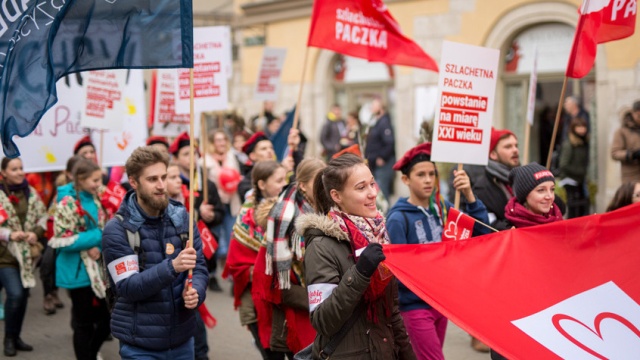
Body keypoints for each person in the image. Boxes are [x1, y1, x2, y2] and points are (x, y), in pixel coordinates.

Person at [296, 153, 415, 359]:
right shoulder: (321, 244)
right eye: (361, 188)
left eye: (372, 184)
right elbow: (323, 321)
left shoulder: (379, 235)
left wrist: (408, 355)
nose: (372, 193)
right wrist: (360, 273)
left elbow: (391, 311)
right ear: (336, 196)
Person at [102, 146, 208, 359]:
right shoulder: (118, 229)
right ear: (134, 182)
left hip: (183, 339)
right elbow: (128, 287)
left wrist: (196, 291)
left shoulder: (182, 218)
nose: (161, 186)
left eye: (164, 177)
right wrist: (172, 267)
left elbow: (199, 267)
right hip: (140, 345)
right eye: (152, 179)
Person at [386, 143, 489, 360]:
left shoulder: (442, 208)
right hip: (414, 306)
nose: (427, 180)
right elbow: (398, 272)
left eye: (431, 174)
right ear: (406, 179)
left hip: (441, 303)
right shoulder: (398, 218)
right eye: (420, 174)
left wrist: (469, 195)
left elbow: (480, 232)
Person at [252, 158, 326, 358]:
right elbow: (278, 278)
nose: (324, 187)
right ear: (302, 185)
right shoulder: (284, 217)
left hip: (316, 293)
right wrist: (316, 298)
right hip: (293, 294)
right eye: (318, 182)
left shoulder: (323, 205)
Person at [223, 161, 288, 359]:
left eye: (285, 179)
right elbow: (236, 264)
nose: (284, 184)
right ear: (261, 184)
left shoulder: (287, 210)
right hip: (255, 300)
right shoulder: (246, 217)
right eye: (278, 180)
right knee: (271, 354)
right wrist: (261, 271)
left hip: (285, 298)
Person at [49, 158, 111, 360]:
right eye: (94, 180)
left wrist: (99, 246)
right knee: (83, 323)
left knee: (108, 318)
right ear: (81, 179)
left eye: (99, 179)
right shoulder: (66, 202)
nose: (98, 184)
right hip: (77, 270)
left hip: (98, 268)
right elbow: (61, 239)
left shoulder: (97, 197)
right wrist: (98, 237)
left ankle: (90, 354)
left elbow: (107, 225)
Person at [0, 157, 47, 356]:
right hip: (5, 256)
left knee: (23, 298)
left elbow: (43, 217)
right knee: (16, 294)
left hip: (26, 256)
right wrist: (9, 235)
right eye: (14, 169)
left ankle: (16, 336)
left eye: (21, 168)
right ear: (3, 173)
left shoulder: (31, 193)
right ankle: (9, 339)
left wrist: (35, 232)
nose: (20, 172)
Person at [170, 132, 225, 292]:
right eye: (186, 154)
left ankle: (211, 274)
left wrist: (211, 215)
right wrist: (196, 212)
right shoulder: (171, 184)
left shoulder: (207, 185)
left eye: (194, 153)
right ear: (176, 158)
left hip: (204, 239)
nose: (191, 157)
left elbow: (220, 212)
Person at [201, 130, 242, 268]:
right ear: (212, 143)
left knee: (232, 237)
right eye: (218, 140)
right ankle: (213, 273)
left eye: (224, 139)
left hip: (231, 203)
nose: (222, 142)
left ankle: (230, 269)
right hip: (216, 204)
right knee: (216, 239)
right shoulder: (204, 161)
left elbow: (237, 176)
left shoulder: (232, 157)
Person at [473, 127, 521, 230]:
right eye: (508, 147)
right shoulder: (482, 188)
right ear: (493, 154)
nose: (515, 150)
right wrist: (514, 228)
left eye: (516, 146)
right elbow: (489, 223)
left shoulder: (525, 178)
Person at [558, 117, 590, 218]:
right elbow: (564, 164)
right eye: (579, 127)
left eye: (583, 126)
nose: (582, 129)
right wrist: (580, 172)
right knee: (574, 207)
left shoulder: (584, 142)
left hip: (580, 179)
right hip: (570, 180)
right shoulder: (569, 144)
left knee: (583, 205)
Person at [365, 99, 396, 201]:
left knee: (382, 192)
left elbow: (389, 143)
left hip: (383, 164)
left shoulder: (384, 122)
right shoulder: (377, 122)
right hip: (375, 164)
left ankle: (385, 215)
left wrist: (382, 157)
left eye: (374, 105)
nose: (371, 108)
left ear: (380, 107)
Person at [611, 101, 640, 183]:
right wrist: (633, 154)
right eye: (638, 115)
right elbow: (614, 153)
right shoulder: (622, 132)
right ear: (633, 113)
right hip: (632, 177)